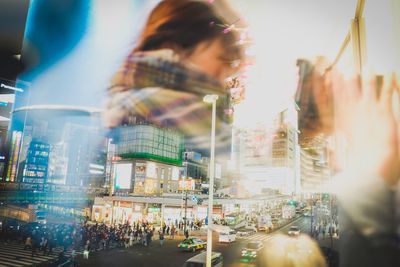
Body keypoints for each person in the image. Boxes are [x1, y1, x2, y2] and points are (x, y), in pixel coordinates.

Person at [104, 0, 244, 154]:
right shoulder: (153, 106)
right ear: (173, 49)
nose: (222, 75)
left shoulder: (124, 95)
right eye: (220, 59)